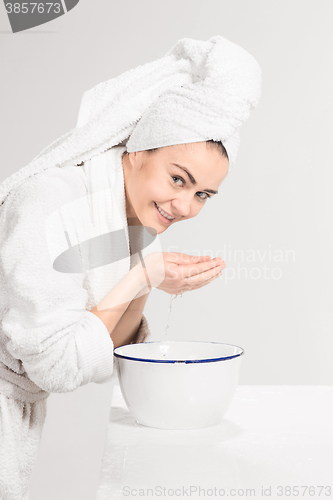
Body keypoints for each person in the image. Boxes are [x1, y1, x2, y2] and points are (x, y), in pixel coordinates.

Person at [0, 35, 261, 498]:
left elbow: (107, 347)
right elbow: (58, 367)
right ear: (138, 151)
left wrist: (147, 274)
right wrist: (143, 274)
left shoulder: (129, 224)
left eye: (203, 194)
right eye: (178, 179)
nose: (185, 206)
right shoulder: (50, 201)